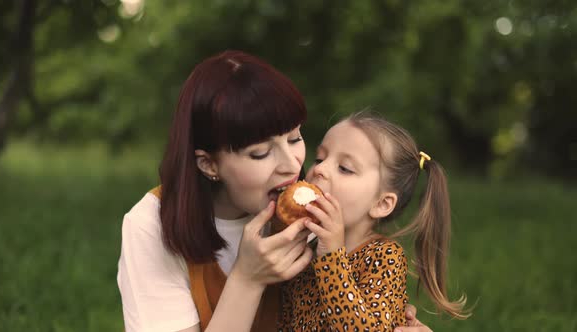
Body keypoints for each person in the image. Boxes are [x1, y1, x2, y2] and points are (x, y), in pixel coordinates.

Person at [117, 51, 431, 332]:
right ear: (209, 164)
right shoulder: (152, 226)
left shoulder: (313, 216)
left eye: (295, 139)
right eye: (260, 153)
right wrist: (248, 279)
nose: (292, 165)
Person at [278, 111, 470, 331]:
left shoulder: (385, 257)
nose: (319, 169)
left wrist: (331, 259)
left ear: (382, 204)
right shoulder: (305, 248)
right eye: (320, 159)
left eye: (345, 168)